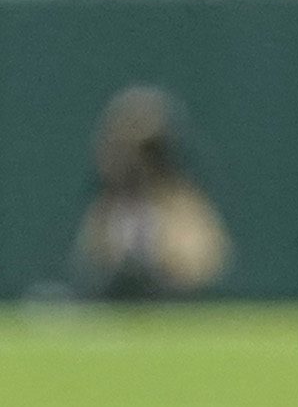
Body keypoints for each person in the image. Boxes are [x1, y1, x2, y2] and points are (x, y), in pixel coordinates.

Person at [71, 85, 231, 301]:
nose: (131, 160)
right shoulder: (108, 205)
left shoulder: (181, 202)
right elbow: (93, 261)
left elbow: (203, 265)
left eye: (143, 151)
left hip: (174, 305)